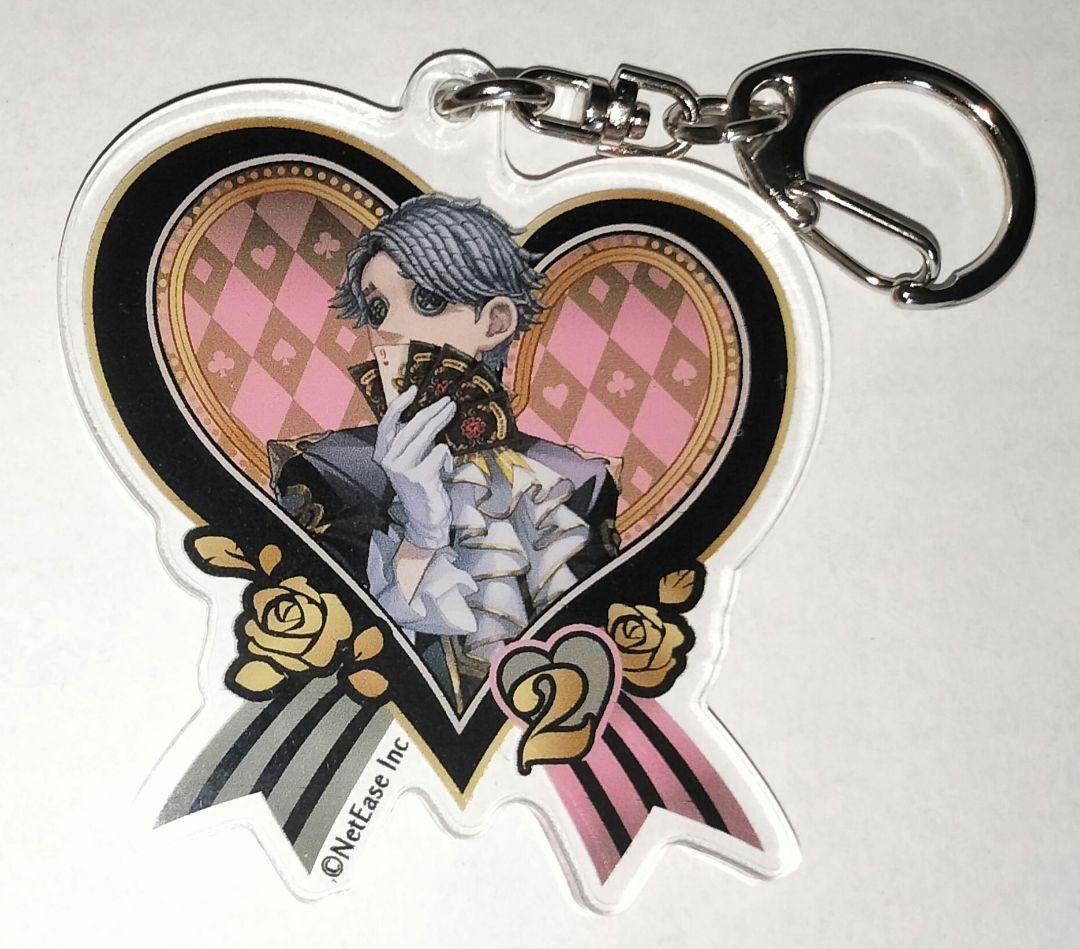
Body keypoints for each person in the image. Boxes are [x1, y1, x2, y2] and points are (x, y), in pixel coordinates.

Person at [270, 194, 620, 711]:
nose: (389, 329)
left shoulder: (576, 480)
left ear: (495, 323)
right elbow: (339, 659)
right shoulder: (329, 470)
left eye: (429, 300)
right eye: (377, 308)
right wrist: (423, 532)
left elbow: (596, 652)